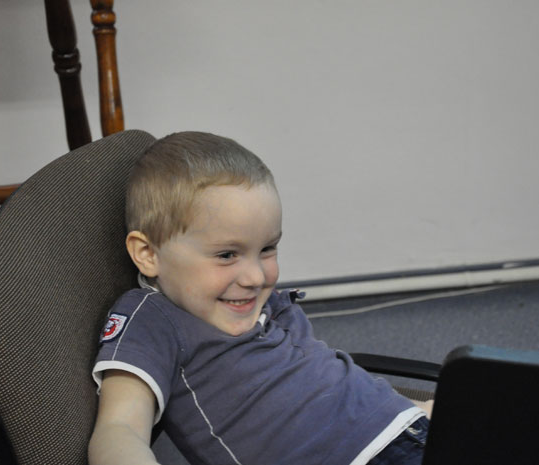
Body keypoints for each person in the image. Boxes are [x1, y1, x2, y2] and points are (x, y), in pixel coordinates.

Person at [88, 131, 431, 465]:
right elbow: (119, 430)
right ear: (148, 254)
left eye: (267, 248)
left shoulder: (248, 301)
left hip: (404, 424)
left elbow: (324, 375)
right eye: (226, 255)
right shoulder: (153, 320)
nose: (256, 278)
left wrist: (416, 412)